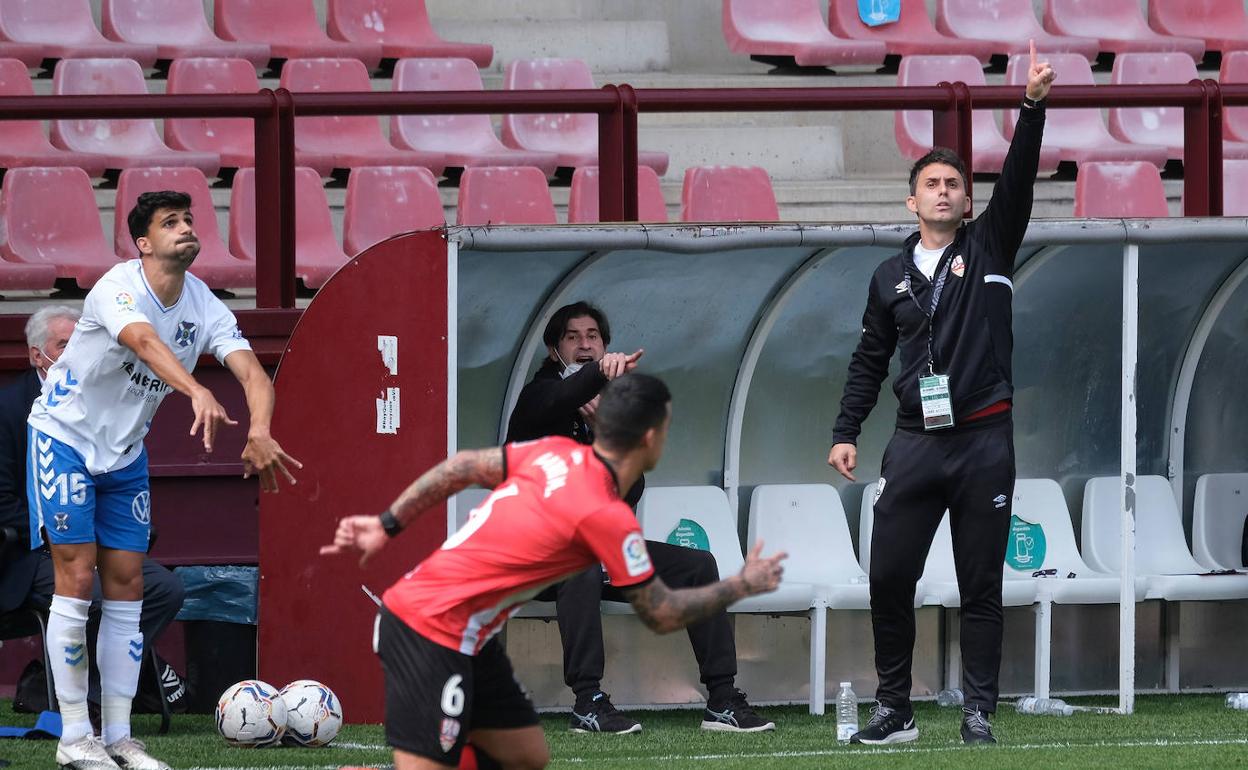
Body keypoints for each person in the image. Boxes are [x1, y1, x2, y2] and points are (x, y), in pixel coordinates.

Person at [321, 374, 786, 770]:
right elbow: (662, 614)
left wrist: (387, 524)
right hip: (427, 628)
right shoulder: (604, 515)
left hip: (471, 636)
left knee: (526, 755)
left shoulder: (552, 454)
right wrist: (740, 584)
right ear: (650, 438)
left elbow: (460, 465)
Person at [826, 42, 1056, 746]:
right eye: (932, 183)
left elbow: (1016, 179)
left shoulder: (989, 247)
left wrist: (1031, 107)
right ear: (913, 199)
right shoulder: (888, 276)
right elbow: (869, 358)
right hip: (914, 445)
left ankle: (978, 711)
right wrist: (845, 430)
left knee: (980, 585)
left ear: (966, 199)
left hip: (984, 441)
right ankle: (894, 709)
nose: (945, 191)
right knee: (889, 577)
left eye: (954, 183)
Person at [26, 191, 301, 770]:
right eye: (169, 222)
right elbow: (146, 344)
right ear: (144, 243)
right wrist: (196, 388)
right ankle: (75, 735)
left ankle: (120, 736)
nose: (185, 228)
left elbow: (251, 370)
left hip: (124, 455)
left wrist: (261, 427)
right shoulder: (116, 287)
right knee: (76, 577)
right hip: (65, 439)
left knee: (126, 584)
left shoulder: (205, 304)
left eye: (189, 219)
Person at [505, 302, 773, 734]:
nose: (584, 344)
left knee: (698, 566)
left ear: (605, 344)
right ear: (554, 349)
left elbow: (631, 492)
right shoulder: (540, 397)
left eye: (593, 336)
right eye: (573, 337)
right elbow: (561, 399)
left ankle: (723, 699)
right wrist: (597, 379)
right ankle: (588, 700)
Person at [0, 307, 185, 722]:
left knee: (164, 589)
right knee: (94, 593)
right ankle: (81, 702)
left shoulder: (104, 402)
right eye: (62, 345)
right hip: (31, 553)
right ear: (35, 356)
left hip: (98, 541)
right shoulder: (8, 410)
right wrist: (62, 524)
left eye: (77, 344)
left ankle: (97, 691)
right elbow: (2, 499)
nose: (72, 354)